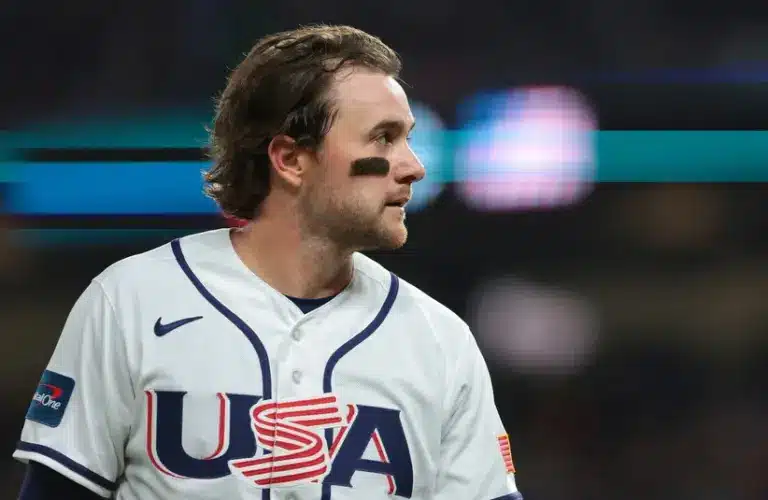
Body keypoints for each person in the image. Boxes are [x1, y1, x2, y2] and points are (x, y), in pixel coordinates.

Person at [14, 24, 523, 500]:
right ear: (290, 159)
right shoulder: (130, 301)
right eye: (384, 138)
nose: (414, 166)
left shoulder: (440, 340)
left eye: (407, 138)